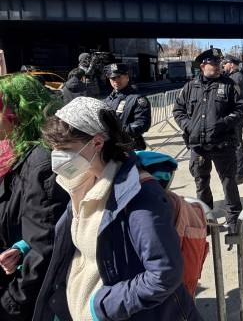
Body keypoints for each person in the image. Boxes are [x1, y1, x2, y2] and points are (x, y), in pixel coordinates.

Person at [35, 97, 202, 321]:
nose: (56, 155)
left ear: (97, 142)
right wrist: (25, 248)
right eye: (54, 147)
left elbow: (164, 274)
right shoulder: (81, 181)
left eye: (64, 148)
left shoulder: (139, 194)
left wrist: (103, 306)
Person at [0, 74, 68, 320]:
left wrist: (9, 305)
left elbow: (45, 248)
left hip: (24, 301)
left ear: (17, 113)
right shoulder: (14, 150)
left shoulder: (40, 162)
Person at [173, 48, 243, 236]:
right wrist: (189, 126)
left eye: (219, 63)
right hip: (198, 146)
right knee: (201, 183)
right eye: (214, 63)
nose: (218, 66)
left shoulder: (228, 85)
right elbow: (178, 111)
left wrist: (222, 124)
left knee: (229, 183)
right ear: (203, 65)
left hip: (223, 145)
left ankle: (234, 221)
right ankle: (206, 219)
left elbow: (239, 111)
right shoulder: (190, 87)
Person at [103, 63, 151, 150]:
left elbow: (142, 124)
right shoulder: (108, 100)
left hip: (130, 146)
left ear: (127, 77)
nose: (116, 81)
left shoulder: (137, 99)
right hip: (112, 146)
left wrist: (119, 132)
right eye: (113, 78)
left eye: (119, 77)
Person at [223, 55, 243, 184]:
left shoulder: (236, 78)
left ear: (231, 64)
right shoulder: (233, 77)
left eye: (225, 63)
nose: (224, 66)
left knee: (237, 144)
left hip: (236, 115)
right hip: (235, 115)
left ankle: (240, 174)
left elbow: (236, 99)